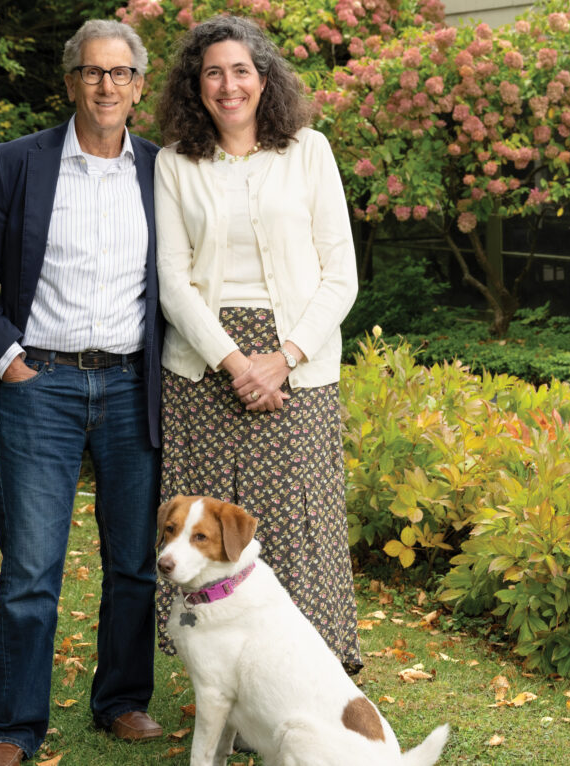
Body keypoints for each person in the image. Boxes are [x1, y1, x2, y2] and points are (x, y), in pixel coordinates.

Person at [0, 18, 165, 766]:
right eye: (92, 72)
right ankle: (11, 728)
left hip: (134, 385)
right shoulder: (17, 164)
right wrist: (8, 359)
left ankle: (122, 701)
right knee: (31, 571)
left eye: (121, 73)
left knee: (135, 563)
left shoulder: (163, 171)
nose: (106, 86)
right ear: (70, 80)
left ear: (140, 85)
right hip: (40, 383)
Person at [152, 14, 363, 675]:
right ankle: (225, 689)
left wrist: (283, 357)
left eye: (240, 69)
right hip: (204, 368)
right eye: (212, 72)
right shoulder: (173, 164)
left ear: (264, 78)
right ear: (197, 85)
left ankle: (309, 683)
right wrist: (237, 362)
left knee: (297, 530)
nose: (228, 84)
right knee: (206, 539)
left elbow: (342, 274)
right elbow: (172, 281)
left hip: (296, 367)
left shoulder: (309, 150)